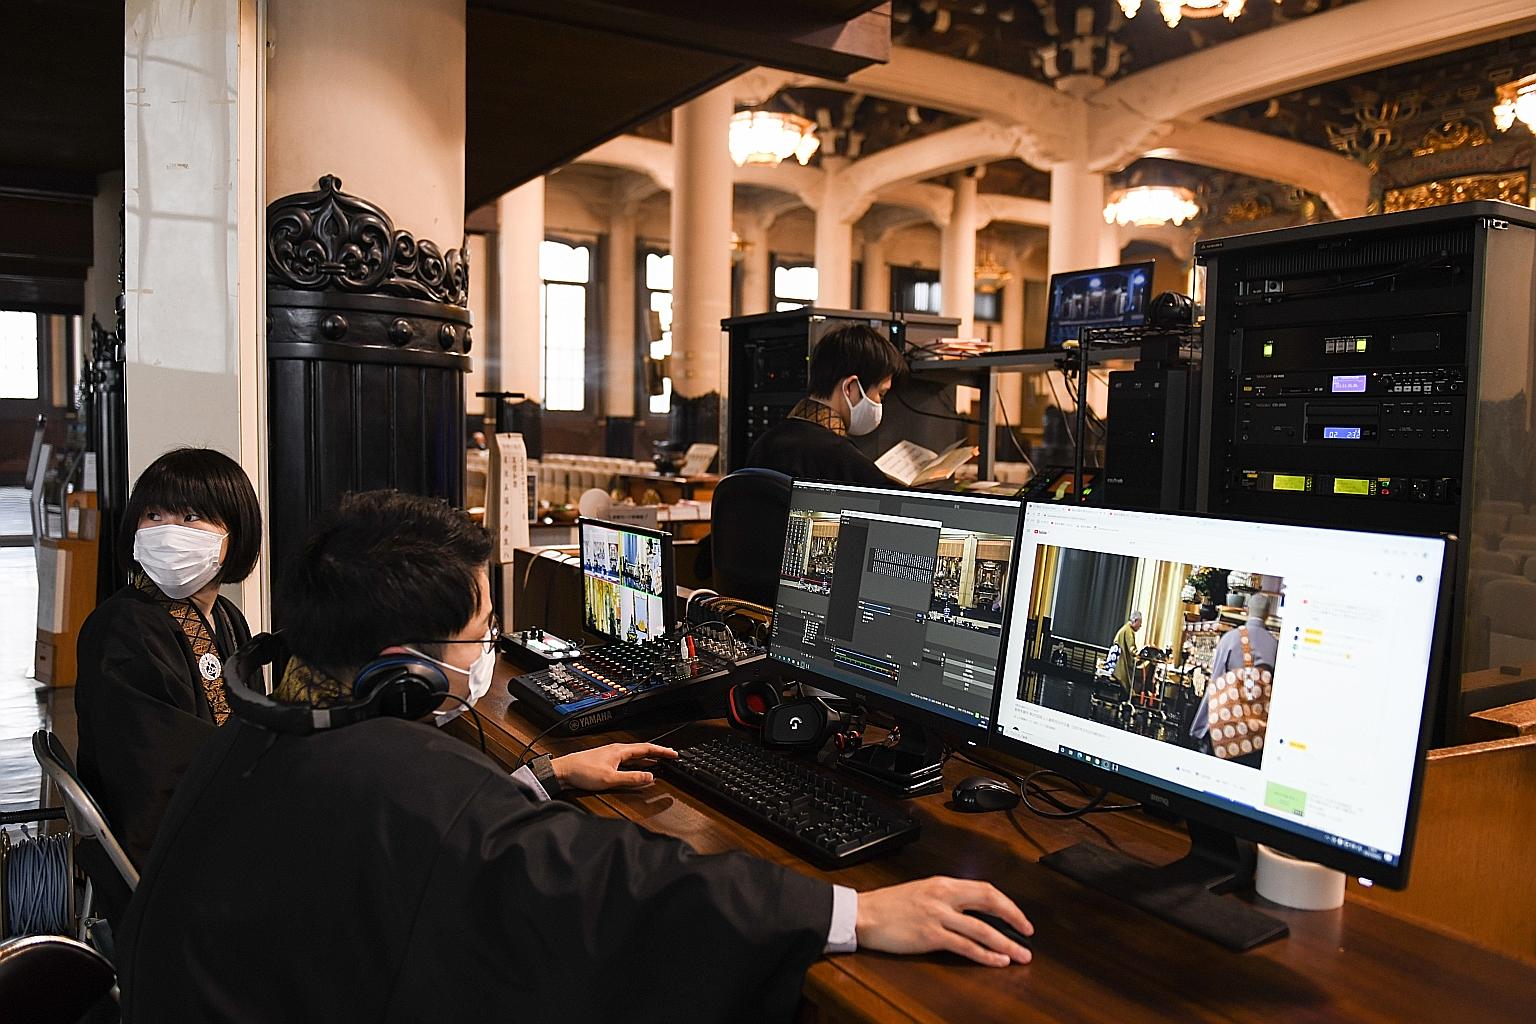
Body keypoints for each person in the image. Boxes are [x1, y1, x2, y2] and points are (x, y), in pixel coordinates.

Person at [116, 491, 1033, 1022]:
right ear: (402, 670)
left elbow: (414, 843)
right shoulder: (392, 774)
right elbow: (611, 889)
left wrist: (540, 777)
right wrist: (851, 916)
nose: (484, 657)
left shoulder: (276, 721)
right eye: (479, 637)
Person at [75, 447, 262, 870]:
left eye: (191, 517)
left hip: (227, 823)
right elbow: (156, 771)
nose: (168, 532)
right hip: (169, 859)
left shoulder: (226, 617)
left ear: (236, 531)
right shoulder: (124, 627)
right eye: (154, 515)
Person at [745, 323, 903, 487]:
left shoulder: (763, 445)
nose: (880, 402)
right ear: (850, 387)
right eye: (881, 394)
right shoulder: (844, 461)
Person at [1191, 593, 1279, 765]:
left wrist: (1200, 727)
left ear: (1246, 610)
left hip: (1225, 731)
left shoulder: (1229, 639)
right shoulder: (1275, 647)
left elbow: (1215, 686)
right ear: (1268, 614)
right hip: (1257, 737)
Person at [1105, 611, 1142, 696]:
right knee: (1131, 675)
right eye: (1139, 623)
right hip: (1119, 660)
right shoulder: (1128, 630)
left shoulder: (1127, 628)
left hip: (1119, 656)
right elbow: (1131, 647)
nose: (1140, 626)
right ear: (1135, 621)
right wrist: (1138, 654)